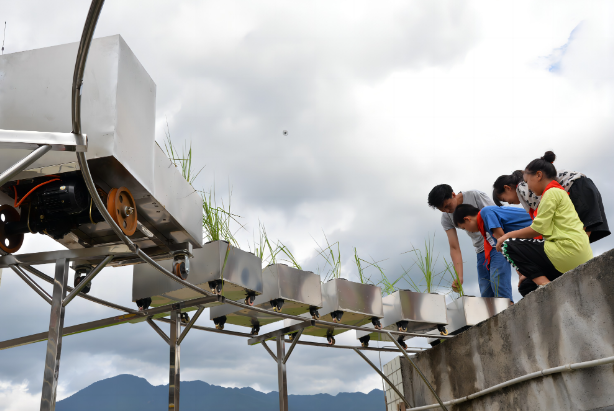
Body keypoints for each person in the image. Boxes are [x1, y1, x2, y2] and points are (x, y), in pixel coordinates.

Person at [495, 152, 593, 296]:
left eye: (527, 182)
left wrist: (506, 236)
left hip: (567, 252)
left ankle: (548, 289)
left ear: (539, 175)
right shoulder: (557, 193)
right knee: (527, 286)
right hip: (572, 255)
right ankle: (548, 286)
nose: (527, 187)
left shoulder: (551, 193)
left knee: (508, 244)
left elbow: (538, 228)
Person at [427, 185, 513, 300]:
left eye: (448, 206)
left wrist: (506, 245)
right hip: (480, 251)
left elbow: (497, 216)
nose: (448, 211)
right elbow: (454, 247)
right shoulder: (446, 218)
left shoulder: (475, 196)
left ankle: (509, 309)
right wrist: (459, 276)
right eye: (443, 210)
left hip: (496, 243)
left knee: (498, 282)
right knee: (485, 290)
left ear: (453, 195)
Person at [492, 160, 610, 243]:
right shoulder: (526, 185)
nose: (509, 203)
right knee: (585, 227)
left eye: (504, 199)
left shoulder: (521, 188)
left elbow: (544, 208)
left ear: (508, 188)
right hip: (583, 184)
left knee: (580, 230)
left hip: (575, 189)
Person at [453, 204, 533, 298]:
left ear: (467, 219)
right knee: (526, 286)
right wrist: (521, 272)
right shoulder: (488, 229)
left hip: (539, 231)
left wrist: (523, 272)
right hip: (530, 241)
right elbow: (508, 251)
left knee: (502, 279)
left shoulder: (485, 213)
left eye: (464, 228)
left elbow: (505, 245)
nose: (468, 231)